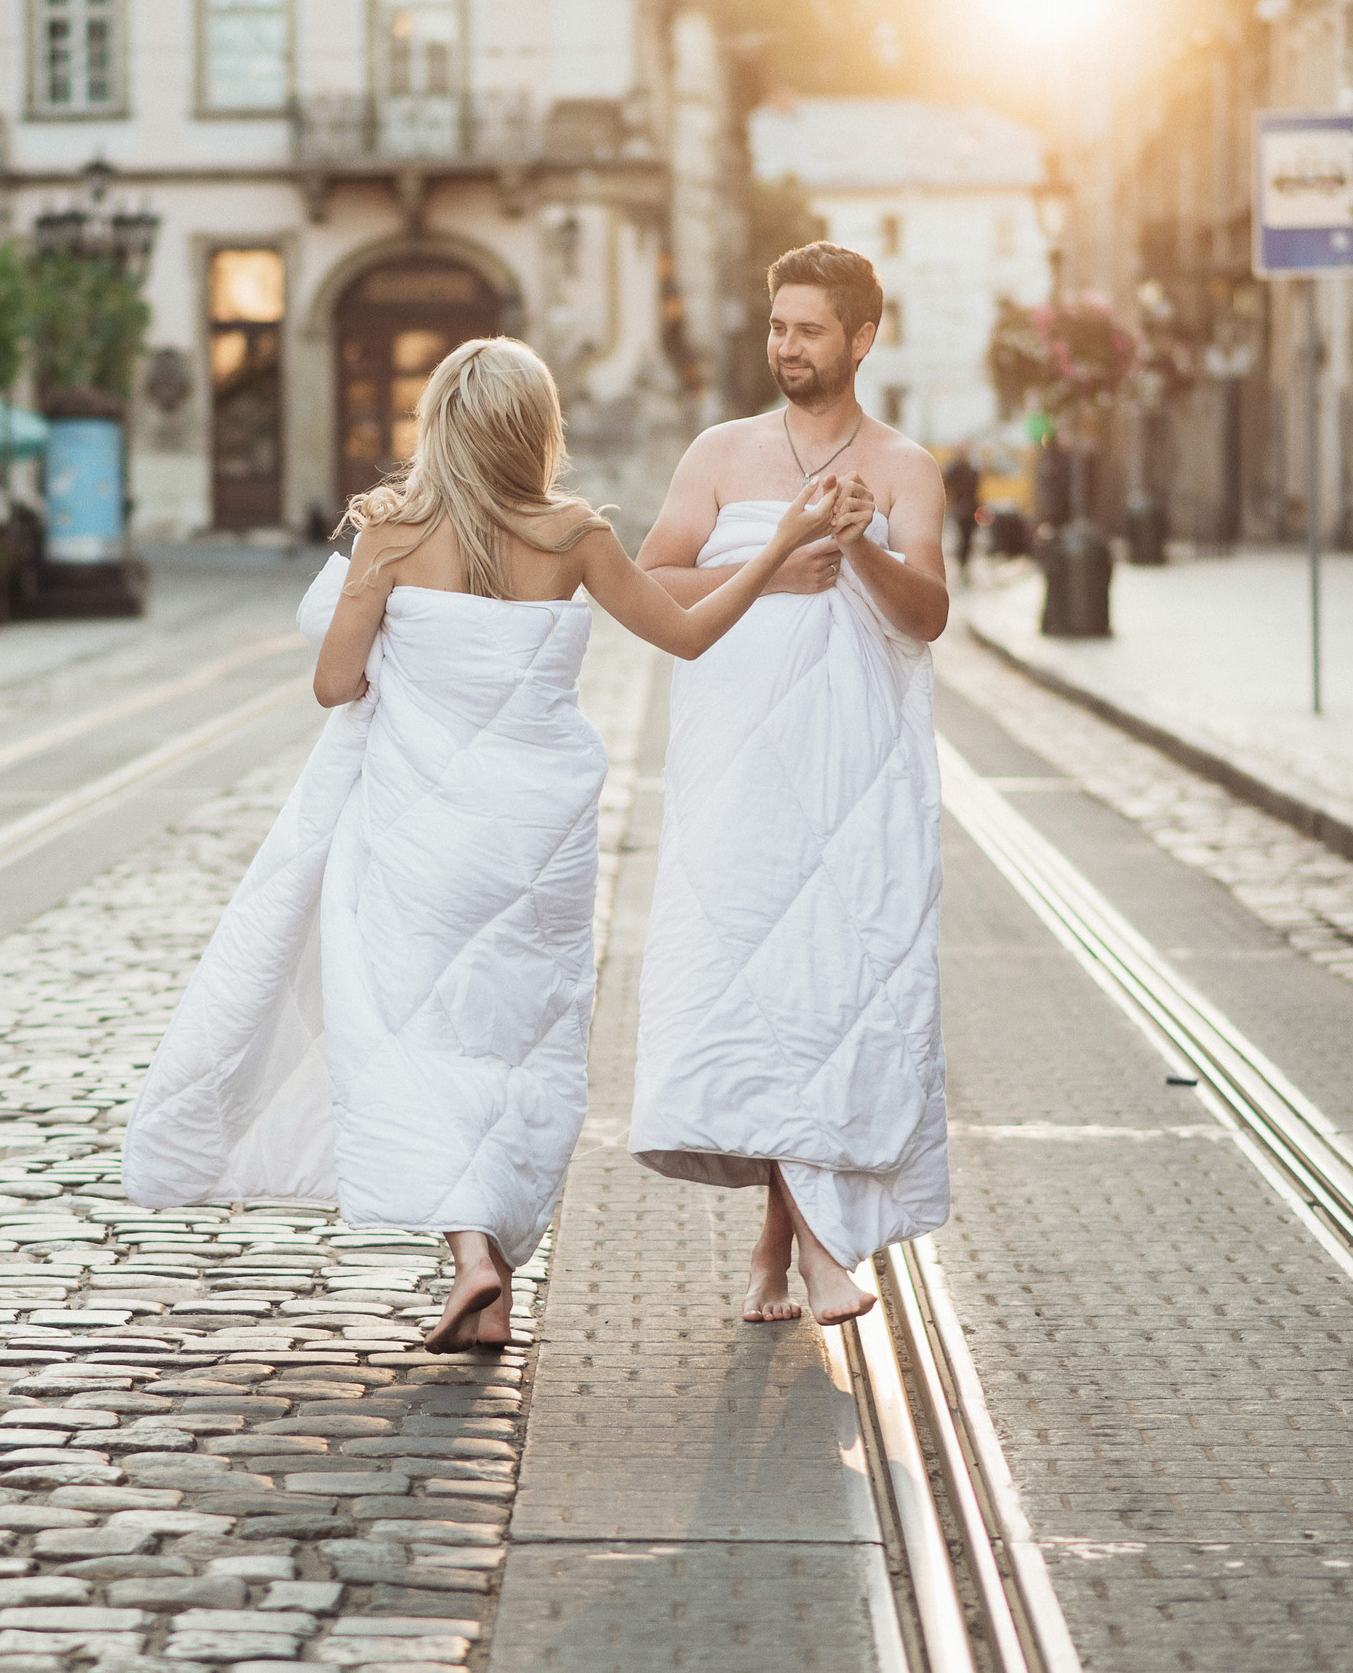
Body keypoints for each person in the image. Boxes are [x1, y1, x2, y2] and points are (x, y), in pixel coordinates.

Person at [123, 336, 842, 1353]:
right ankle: (493, 1280)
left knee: (412, 1036)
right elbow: (684, 634)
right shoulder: (575, 534)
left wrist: (396, 642)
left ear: (442, 428)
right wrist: (771, 561)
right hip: (533, 837)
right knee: (514, 1044)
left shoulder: (389, 533)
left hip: (419, 832)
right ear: (536, 430)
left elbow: (335, 685)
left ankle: (470, 1261)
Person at [632, 240, 953, 1328]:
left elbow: (927, 617)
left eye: (809, 330)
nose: (786, 347)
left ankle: (796, 1245)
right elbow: (651, 581)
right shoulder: (720, 454)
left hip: (857, 773)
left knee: (828, 996)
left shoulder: (907, 467)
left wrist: (857, 546)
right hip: (739, 773)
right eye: (778, 327)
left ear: (862, 339)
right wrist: (768, 560)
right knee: (766, 998)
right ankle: (804, 1249)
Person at [943, 444, 981, 579]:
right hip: (960, 509)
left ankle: (965, 565)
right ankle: (962, 565)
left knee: (968, 539)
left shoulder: (971, 469)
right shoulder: (955, 469)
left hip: (971, 509)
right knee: (960, 538)